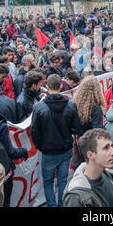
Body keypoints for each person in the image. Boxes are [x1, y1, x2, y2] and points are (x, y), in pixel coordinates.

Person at [31, 74, 82, 207]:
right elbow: (76, 128)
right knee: (62, 181)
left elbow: (35, 132)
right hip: (64, 148)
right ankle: (61, 204)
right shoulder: (70, 105)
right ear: (60, 86)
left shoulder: (39, 107)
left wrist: (40, 146)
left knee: (48, 182)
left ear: (47, 87)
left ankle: (53, 205)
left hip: (49, 151)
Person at [63, 128, 113, 207]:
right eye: (106, 148)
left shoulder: (111, 177)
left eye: (111, 146)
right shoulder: (75, 195)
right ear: (90, 155)